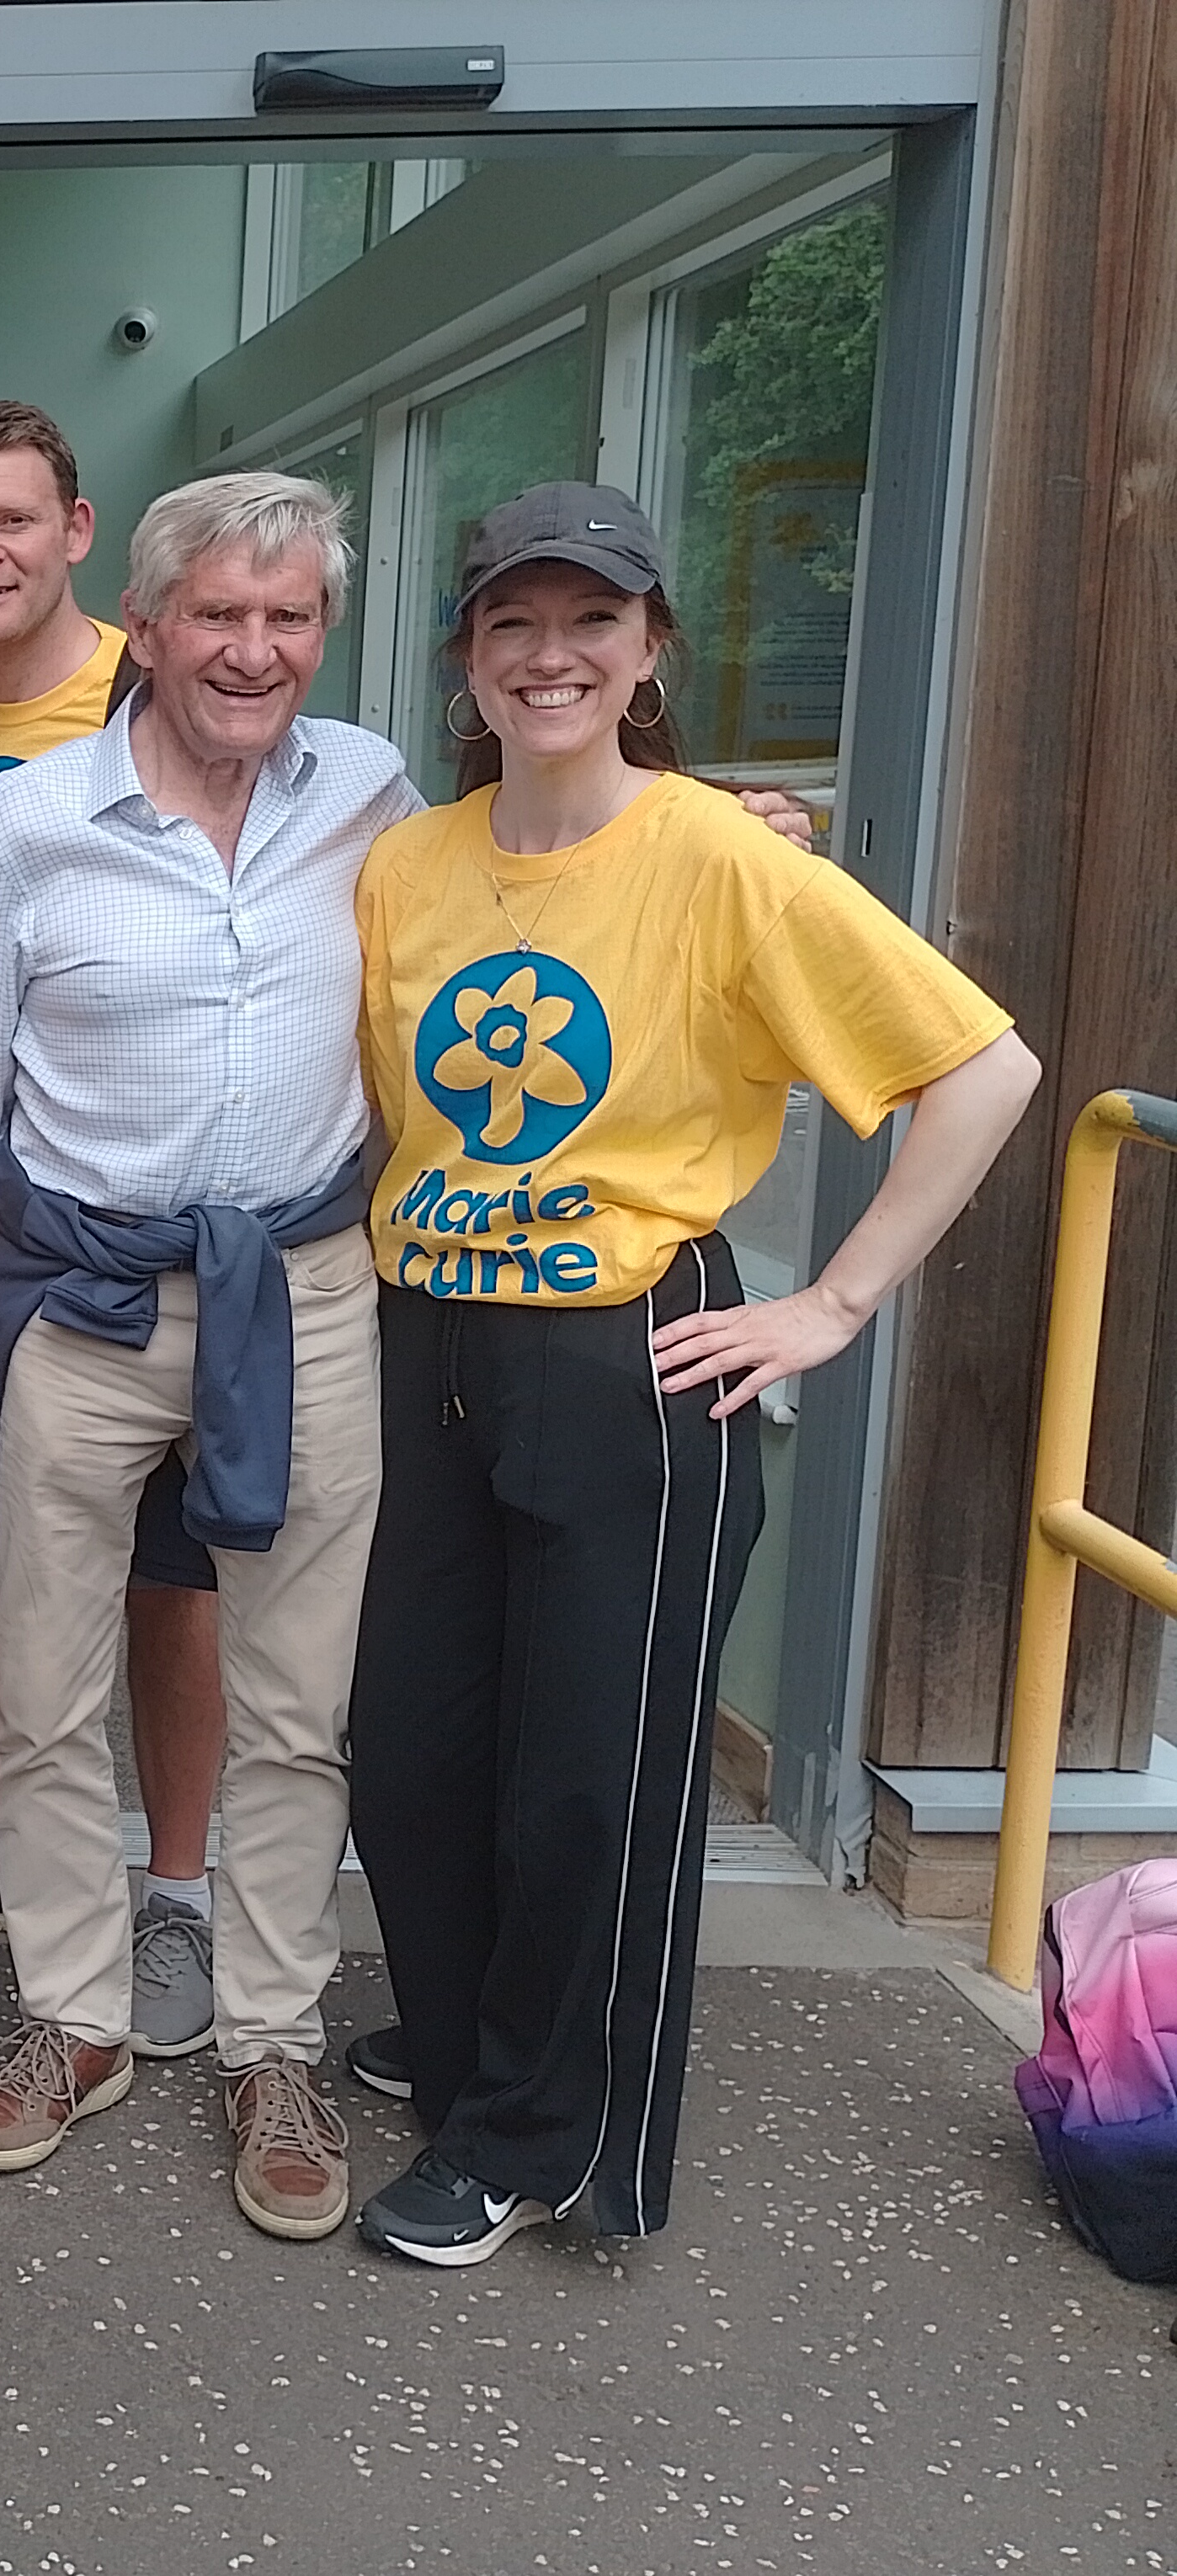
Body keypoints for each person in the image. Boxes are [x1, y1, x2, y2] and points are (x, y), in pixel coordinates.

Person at [343, 484, 1035, 2265]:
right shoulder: (413, 864)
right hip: (436, 1343)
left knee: (591, 1773)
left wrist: (836, 1303)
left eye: (591, 623)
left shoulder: (729, 860)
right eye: (513, 623)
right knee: (416, 1753)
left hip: (629, 1352)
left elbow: (984, 1069)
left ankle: (533, 2136)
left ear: (650, 652)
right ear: (470, 663)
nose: (549, 654)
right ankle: (471, 2046)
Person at [0, 472, 397, 2242]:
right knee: (43, 1690)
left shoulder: (373, 794)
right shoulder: (27, 827)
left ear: (318, 639)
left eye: (288, 621)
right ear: (153, 623)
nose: (253, 651)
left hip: (309, 1291)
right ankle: (77, 2017)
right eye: (220, 615)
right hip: (84, 1298)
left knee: (295, 1696)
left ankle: (273, 2036)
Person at [0, 400, 233, 2065]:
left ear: (80, 531)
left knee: (170, 1575)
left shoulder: (173, 695)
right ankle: (18, 1837)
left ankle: (174, 1892)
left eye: (13, 521)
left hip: (158, 1212)